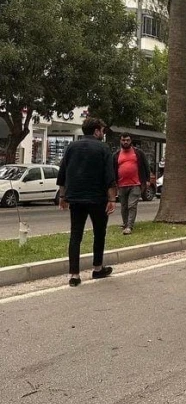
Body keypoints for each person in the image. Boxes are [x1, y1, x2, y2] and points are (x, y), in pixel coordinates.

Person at [56, 118, 116, 287]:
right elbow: (109, 177)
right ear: (96, 131)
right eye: (102, 130)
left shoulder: (71, 147)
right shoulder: (103, 148)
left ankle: (74, 275)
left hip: (75, 198)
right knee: (99, 232)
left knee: (75, 234)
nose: (103, 134)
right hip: (98, 198)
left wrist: (62, 197)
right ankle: (97, 268)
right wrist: (112, 199)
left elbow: (63, 173)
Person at [113, 133, 150, 235]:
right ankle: (125, 224)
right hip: (121, 185)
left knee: (132, 205)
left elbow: (146, 166)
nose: (125, 142)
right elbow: (113, 169)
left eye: (128, 140)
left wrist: (147, 180)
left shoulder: (138, 153)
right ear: (120, 141)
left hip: (135, 184)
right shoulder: (116, 155)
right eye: (123, 140)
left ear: (131, 141)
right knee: (124, 206)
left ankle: (129, 226)